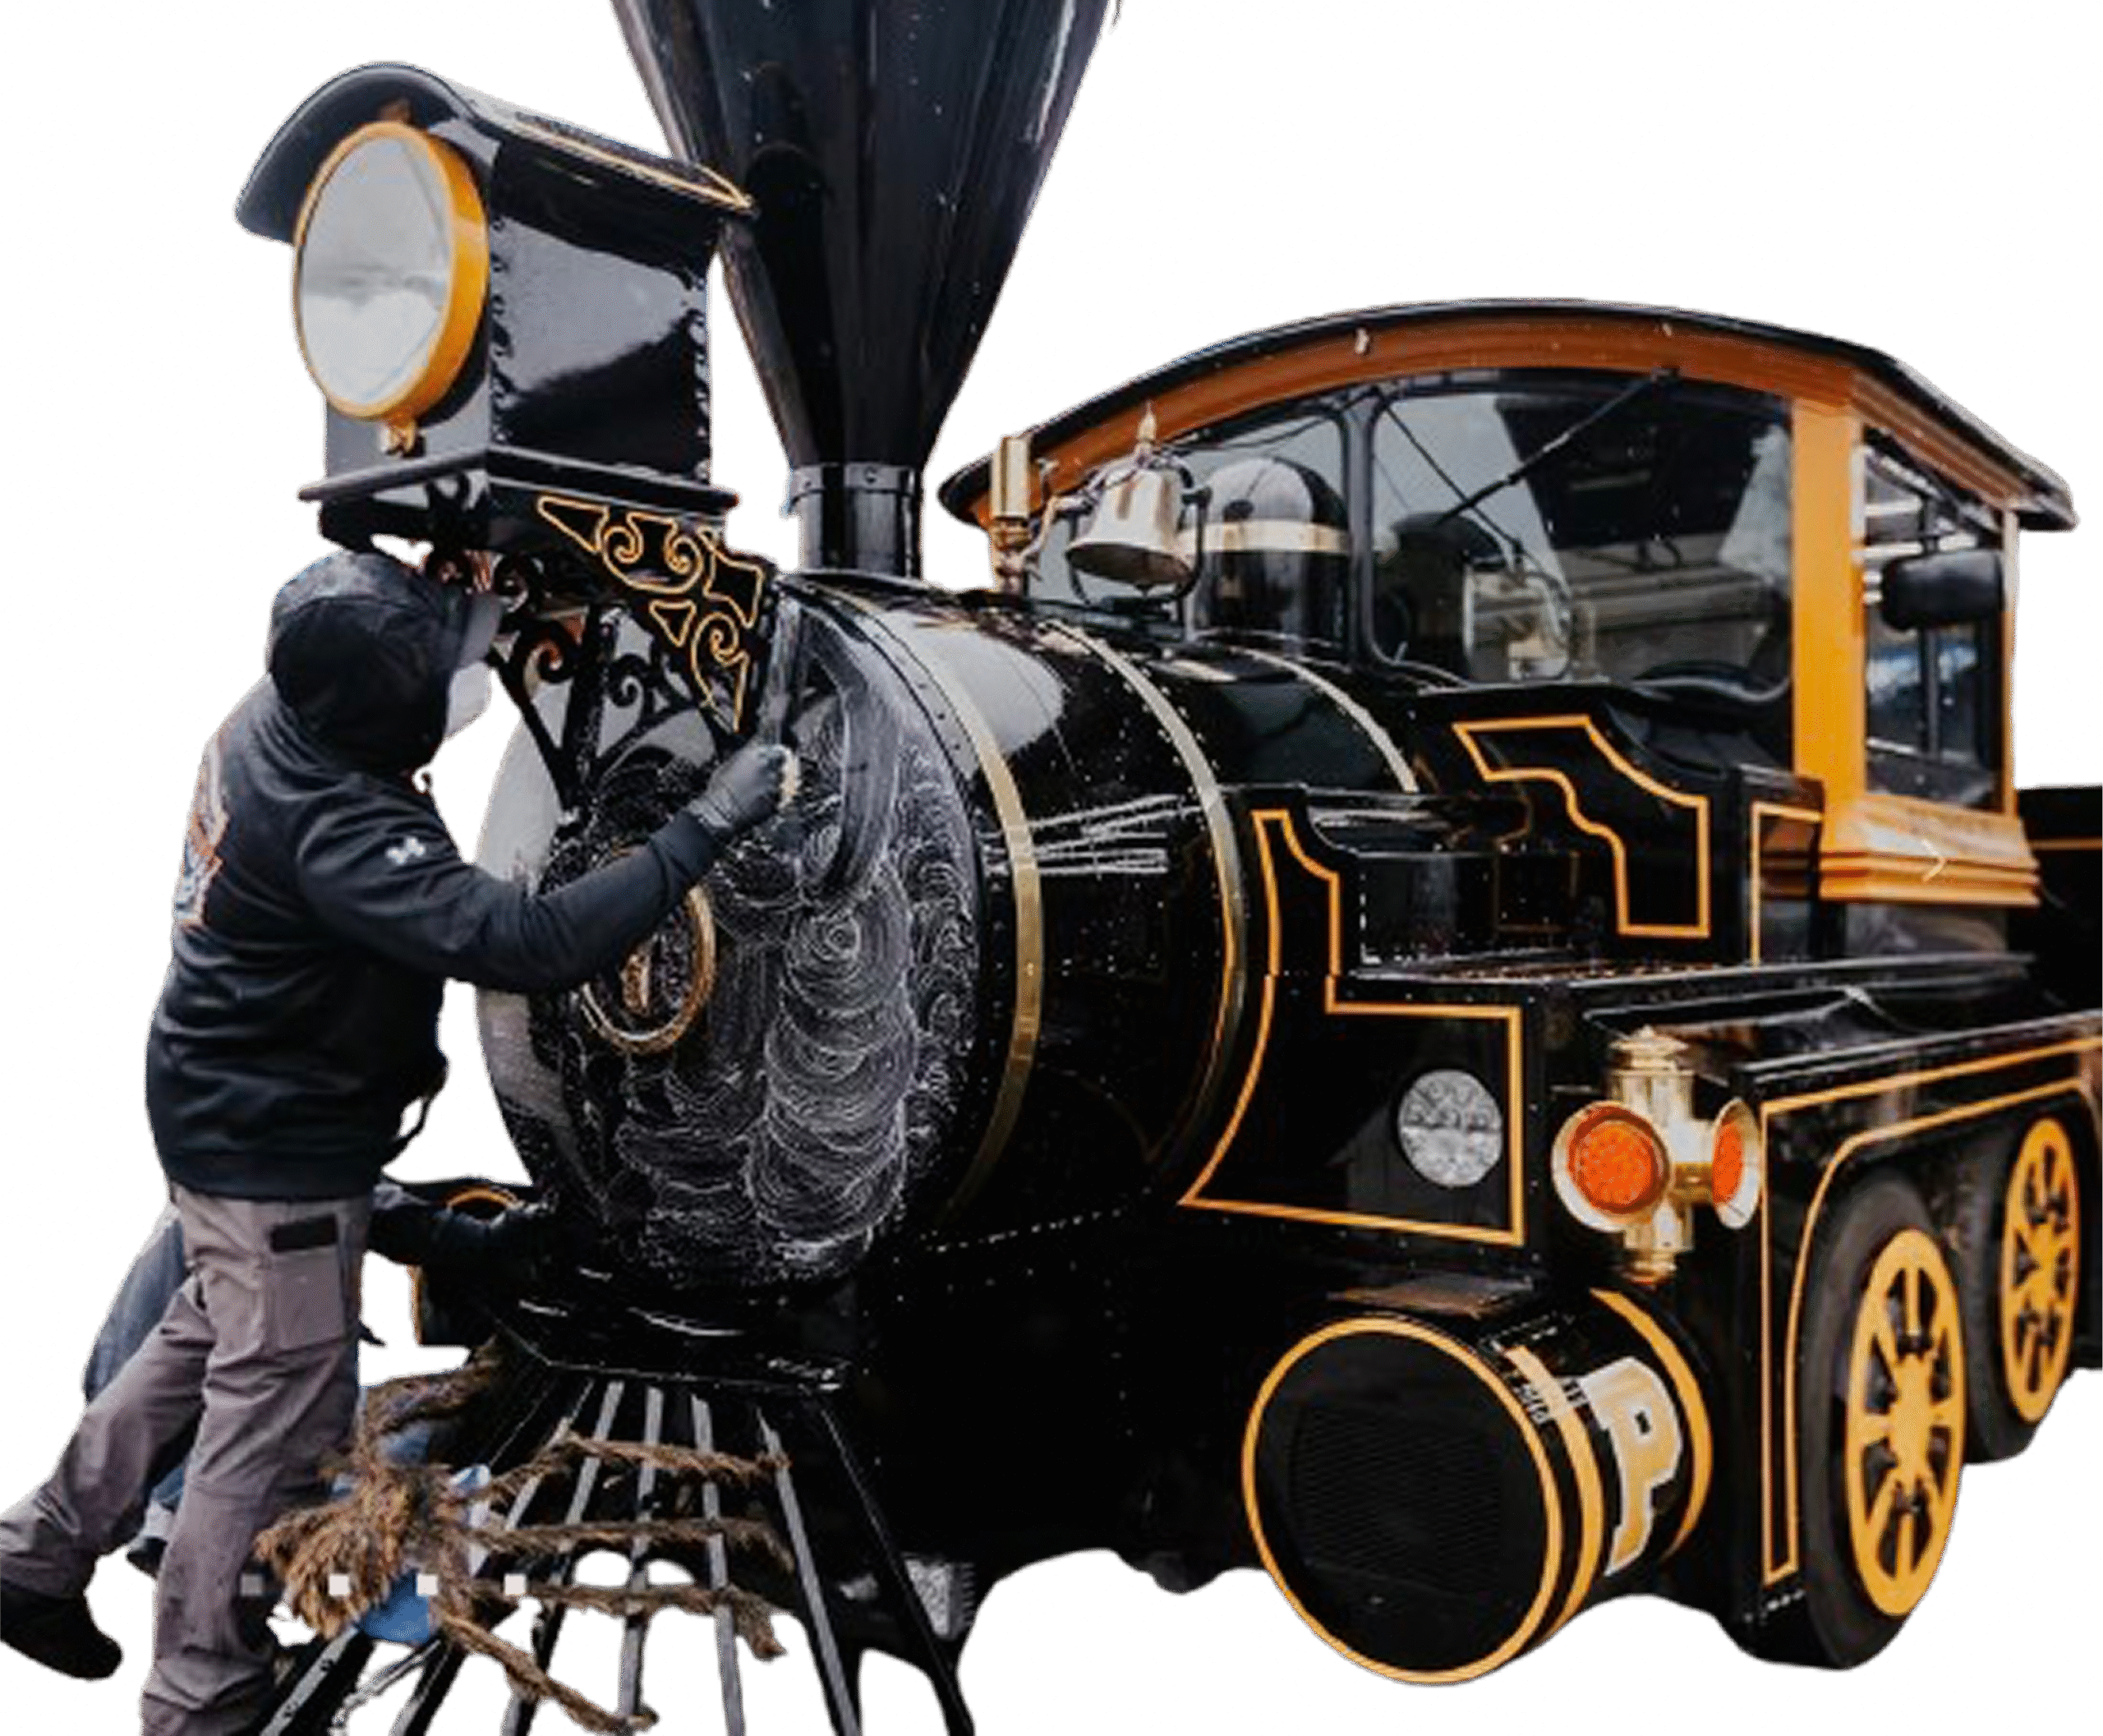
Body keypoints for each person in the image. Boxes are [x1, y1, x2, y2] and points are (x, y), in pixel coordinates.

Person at [0, 547, 798, 1734]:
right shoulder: (339, 831)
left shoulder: (275, 712)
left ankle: (30, 1560)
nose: (462, 681)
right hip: (280, 1154)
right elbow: (528, 946)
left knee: (191, 1350)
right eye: (437, 672)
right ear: (377, 721)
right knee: (265, 1428)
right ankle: (202, 1692)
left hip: (226, 1114)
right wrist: (701, 830)